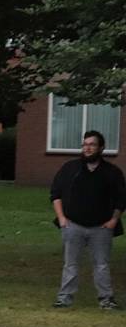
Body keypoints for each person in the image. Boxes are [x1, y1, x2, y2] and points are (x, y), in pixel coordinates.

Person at [50, 130, 126, 310]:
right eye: (85, 144)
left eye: (92, 144)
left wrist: (114, 220)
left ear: (101, 148)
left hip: (101, 227)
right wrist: (61, 218)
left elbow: (121, 199)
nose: (87, 148)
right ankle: (65, 298)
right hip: (72, 225)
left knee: (101, 265)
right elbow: (55, 194)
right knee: (70, 264)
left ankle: (106, 299)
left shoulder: (112, 173)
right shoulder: (70, 169)